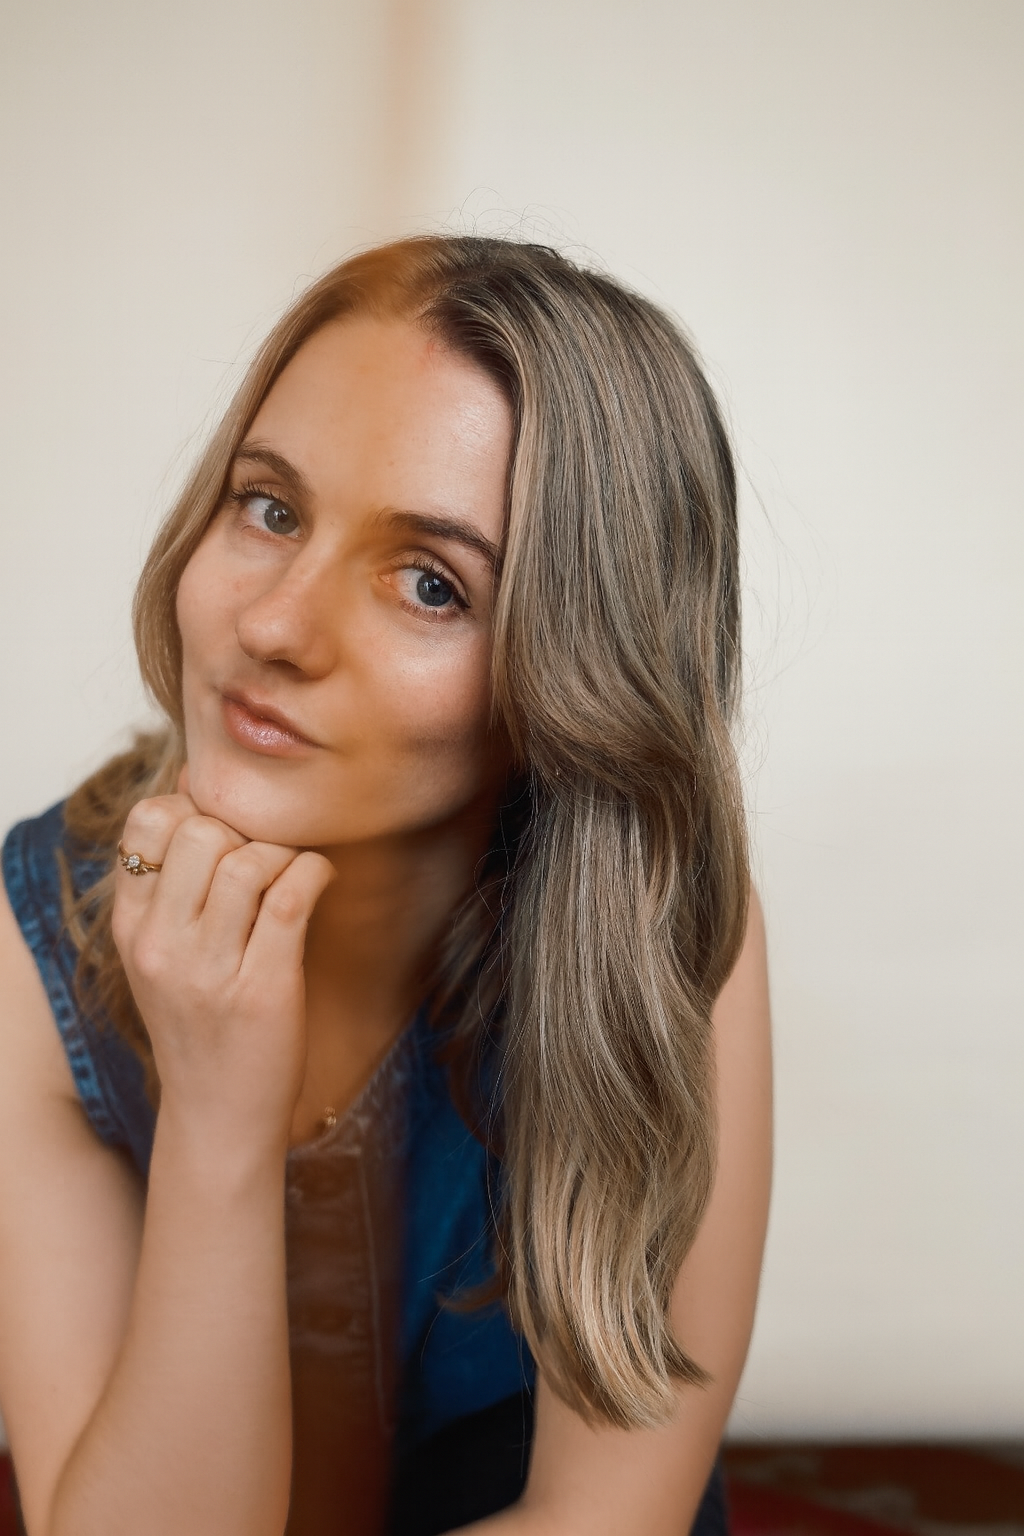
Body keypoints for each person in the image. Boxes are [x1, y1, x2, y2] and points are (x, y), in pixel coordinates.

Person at [0, 235, 772, 1536]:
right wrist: (217, 1116)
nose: (277, 627)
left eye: (429, 584)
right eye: (271, 508)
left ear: (570, 677)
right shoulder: (36, 932)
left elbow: (607, 1520)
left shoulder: (664, 915)